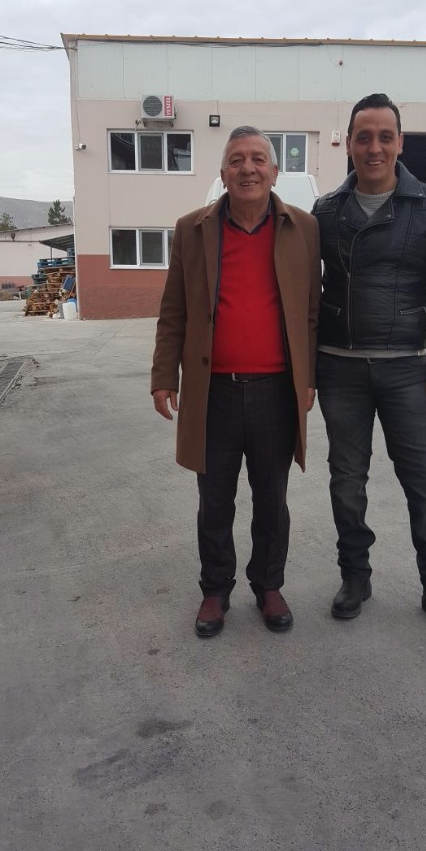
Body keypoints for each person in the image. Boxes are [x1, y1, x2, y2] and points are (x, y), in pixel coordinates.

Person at [151, 126, 321, 638]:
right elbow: (173, 311)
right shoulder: (192, 229)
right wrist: (164, 376)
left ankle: (269, 586)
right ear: (223, 174)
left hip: (276, 392)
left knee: (272, 499)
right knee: (214, 500)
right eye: (236, 160)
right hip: (213, 393)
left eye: (258, 159)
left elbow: (311, 313)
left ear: (275, 171)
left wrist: (308, 378)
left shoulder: (304, 228)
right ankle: (215, 590)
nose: (248, 168)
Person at [313, 94, 426, 637]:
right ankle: (355, 578)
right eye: (364, 137)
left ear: (401, 143)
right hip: (339, 369)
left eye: (385, 136)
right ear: (350, 144)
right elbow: (303, 293)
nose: (375, 147)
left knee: (424, 482)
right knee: (346, 482)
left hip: (407, 369)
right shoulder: (326, 212)